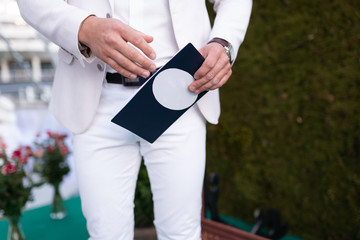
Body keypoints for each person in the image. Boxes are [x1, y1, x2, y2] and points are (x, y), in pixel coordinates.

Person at [17, 0, 252, 239]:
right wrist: (84, 27)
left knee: (182, 233)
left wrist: (224, 41)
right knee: (106, 235)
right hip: (95, 98)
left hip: (182, 93)